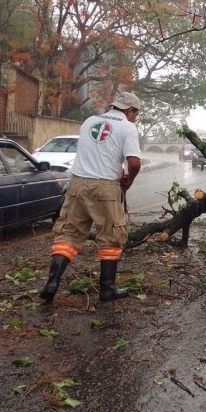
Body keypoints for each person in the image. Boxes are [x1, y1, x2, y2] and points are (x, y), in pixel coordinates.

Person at [39, 91, 142, 303]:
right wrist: (129, 181)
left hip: (77, 183)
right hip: (105, 187)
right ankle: (107, 289)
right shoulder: (127, 127)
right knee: (111, 236)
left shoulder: (89, 121)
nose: (135, 118)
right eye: (135, 114)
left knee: (68, 234)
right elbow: (134, 163)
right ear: (130, 111)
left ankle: (52, 283)